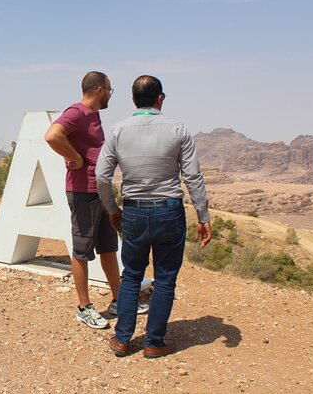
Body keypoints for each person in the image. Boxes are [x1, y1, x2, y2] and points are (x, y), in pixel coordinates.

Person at [95, 75, 212, 357]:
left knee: (132, 275)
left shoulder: (118, 130)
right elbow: (192, 176)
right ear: (160, 98)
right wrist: (203, 214)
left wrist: (112, 209)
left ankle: (123, 339)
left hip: (133, 211)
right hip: (169, 212)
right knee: (165, 278)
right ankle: (154, 342)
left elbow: (101, 176)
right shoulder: (178, 129)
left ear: (134, 100)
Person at [44, 71, 123, 329]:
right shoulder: (76, 112)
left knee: (109, 247)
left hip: (98, 190)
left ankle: (118, 300)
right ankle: (83, 307)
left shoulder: (93, 114)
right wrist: (76, 159)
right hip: (82, 191)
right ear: (99, 89)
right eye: (110, 89)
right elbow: (52, 135)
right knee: (81, 250)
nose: (111, 93)